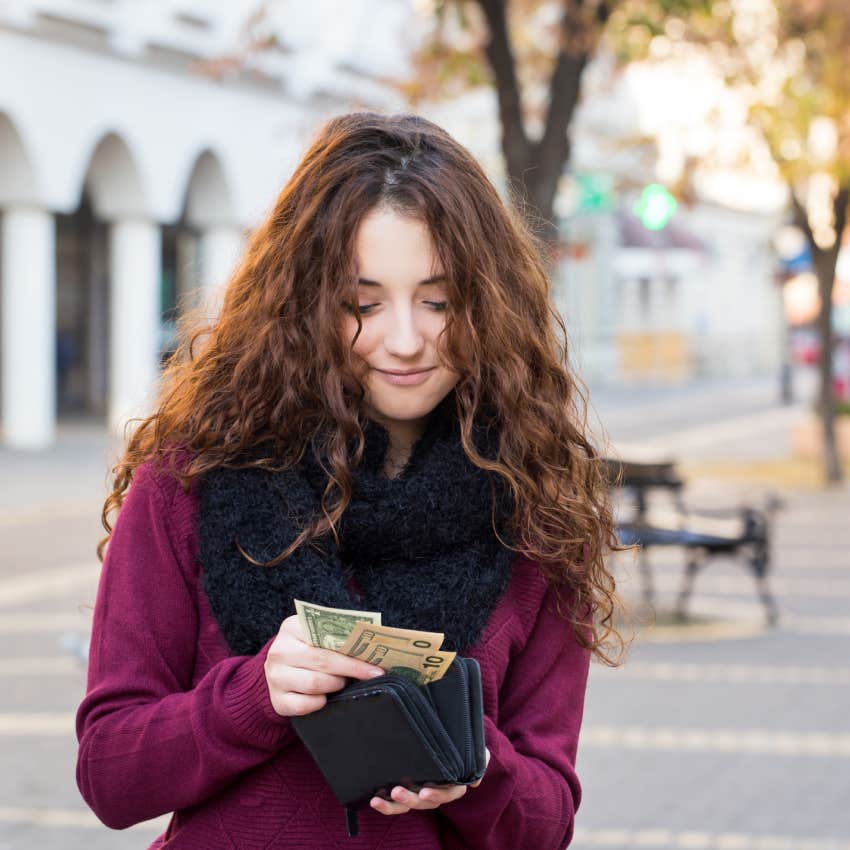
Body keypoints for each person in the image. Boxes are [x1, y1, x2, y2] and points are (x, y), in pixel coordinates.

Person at [75, 111, 628, 849]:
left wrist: (474, 766)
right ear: (303, 304)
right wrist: (254, 696)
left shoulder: (536, 511)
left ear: (491, 303)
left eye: (438, 301)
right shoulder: (191, 478)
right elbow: (111, 773)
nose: (404, 340)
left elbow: (547, 821)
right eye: (362, 304)